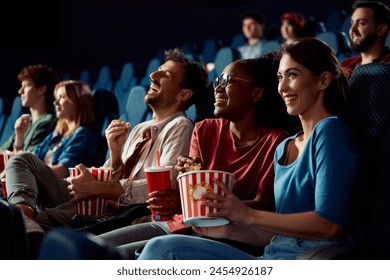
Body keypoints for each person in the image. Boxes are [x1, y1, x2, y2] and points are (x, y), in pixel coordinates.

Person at [138, 37, 361, 260]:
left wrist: (247, 214)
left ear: (323, 80)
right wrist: (225, 229)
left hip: (309, 261)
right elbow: (280, 235)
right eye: (280, 77)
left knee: (164, 252)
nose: (282, 87)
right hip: (270, 257)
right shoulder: (285, 146)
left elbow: (329, 226)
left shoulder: (330, 132)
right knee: (159, 248)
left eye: (292, 75)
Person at [96, 52, 300, 259]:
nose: (218, 87)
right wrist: (183, 191)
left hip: (224, 235)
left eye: (227, 81)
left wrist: (193, 203)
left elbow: (261, 204)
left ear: (256, 94)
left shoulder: (276, 140)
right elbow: (191, 193)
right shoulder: (203, 130)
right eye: (217, 80)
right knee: (95, 250)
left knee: (124, 259)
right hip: (179, 223)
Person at [7, 48, 209, 237]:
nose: (153, 76)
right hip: (101, 200)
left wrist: (96, 188)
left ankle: (23, 223)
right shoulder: (140, 128)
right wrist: (114, 156)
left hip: (120, 212)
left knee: (24, 227)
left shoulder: (180, 126)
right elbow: (112, 178)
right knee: (22, 161)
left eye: (166, 75)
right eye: (157, 71)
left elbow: (164, 187)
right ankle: (23, 215)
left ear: (183, 94)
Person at [5, 80, 99, 220]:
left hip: (67, 190)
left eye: (62, 97)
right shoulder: (56, 136)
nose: (56, 103)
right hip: (41, 192)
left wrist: (27, 173)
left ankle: (21, 217)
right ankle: (20, 216)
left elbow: (64, 169)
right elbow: (31, 158)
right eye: (56, 98)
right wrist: (19, 136)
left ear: (79, 101)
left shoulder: (83, 134)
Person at [1, 64, 59, 153]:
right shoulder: (26, 123)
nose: (20, 91)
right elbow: (3, 151)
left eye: (26, 86)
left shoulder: (48, 122)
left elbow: (28, 160)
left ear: (42, 90)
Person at [341, 1, 390, 78]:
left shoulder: (388, 64)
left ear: (380, 29)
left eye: (361, 23)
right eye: (352, 23)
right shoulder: (346, 64)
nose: (352, 30)